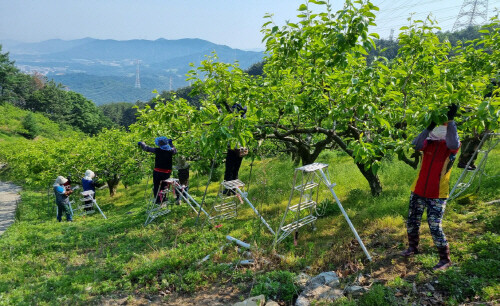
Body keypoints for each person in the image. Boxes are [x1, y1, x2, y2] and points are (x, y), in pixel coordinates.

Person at [401, 104, 460, 271]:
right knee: (412, 221)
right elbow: (416, 144)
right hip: (418, 190)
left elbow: (453, 141)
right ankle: (413, 248)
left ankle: (445, 259)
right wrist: (429, 126)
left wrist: (451, 121)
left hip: (437, 193)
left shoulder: (450, 148)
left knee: (434, 226)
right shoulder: (429, 144)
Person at [138, 137, 177, 204]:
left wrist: (142, 143)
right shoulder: (170, 151)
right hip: (167, 172)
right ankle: (163, 198)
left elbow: (146, 148)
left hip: (158, 172)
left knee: (157, 186)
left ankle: (158, 200)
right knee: (164, 185)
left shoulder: (157, 150)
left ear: (158, 144)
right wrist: (171, 144)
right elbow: (175, 151)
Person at [223, 103, 248, 196]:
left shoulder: (233, 120)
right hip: (241, 148)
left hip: (233, 147)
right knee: (235, 170)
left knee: (229, 169)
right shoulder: (243, 118)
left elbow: (226, 128)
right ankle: (233, 190)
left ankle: (228, 189)